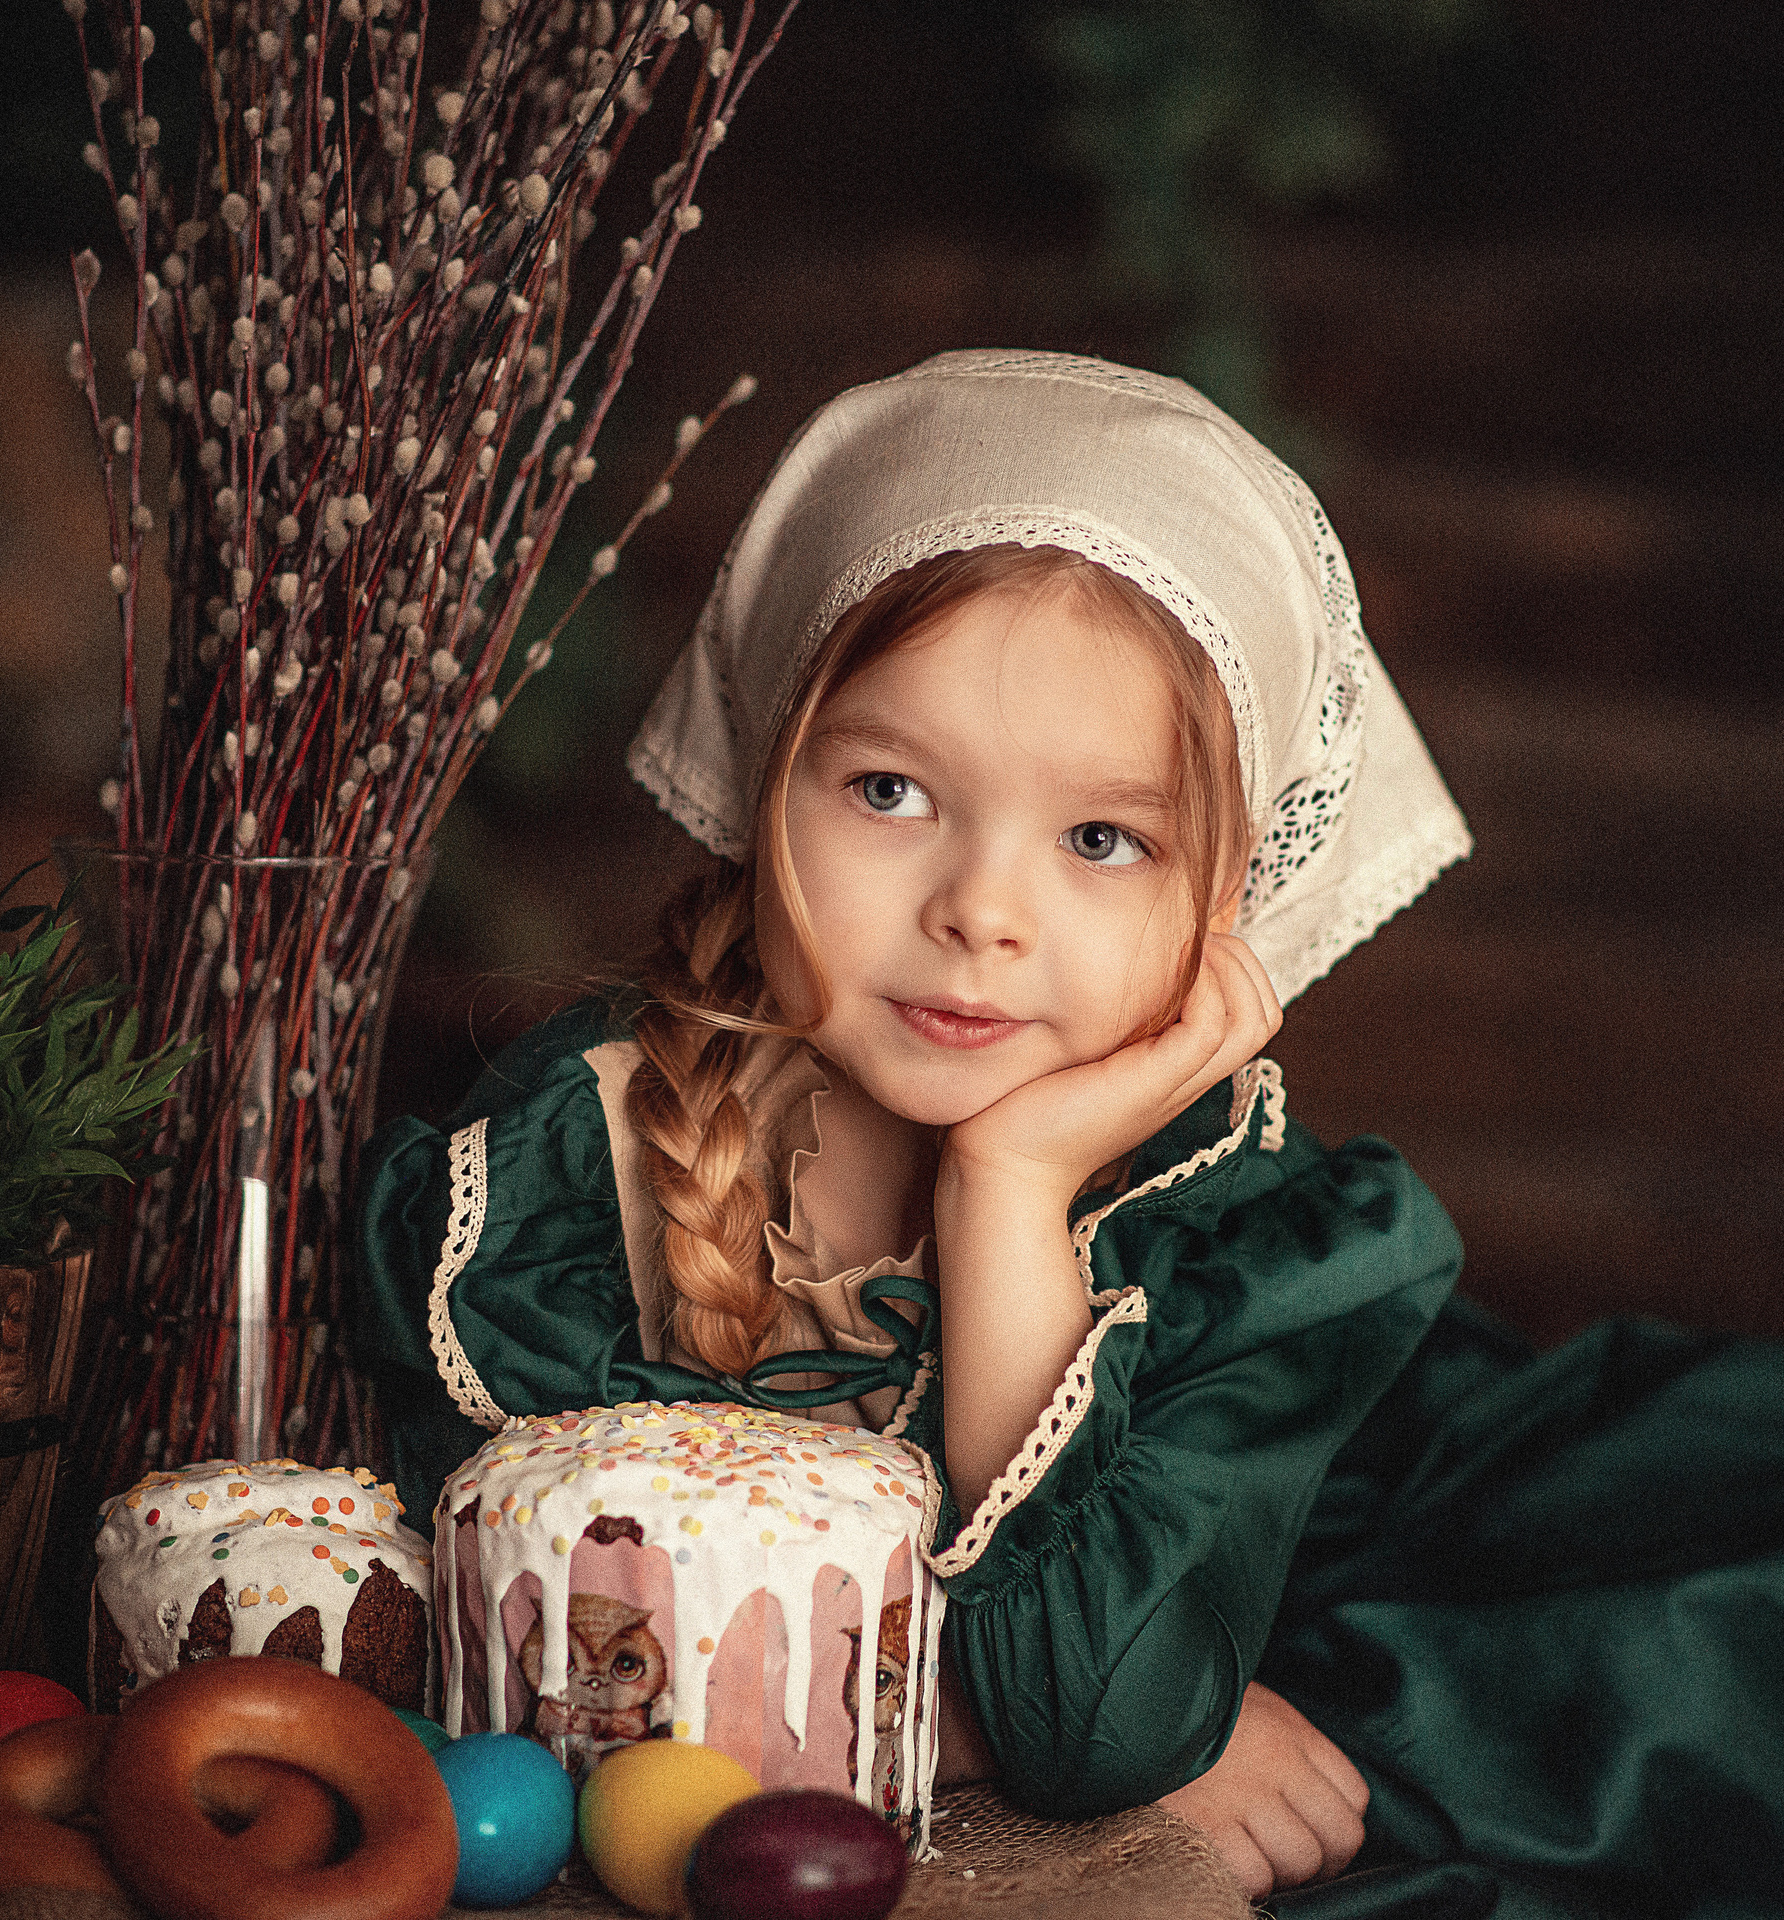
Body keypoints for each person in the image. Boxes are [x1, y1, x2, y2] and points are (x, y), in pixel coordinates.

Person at [357, 352, 1784, 1917]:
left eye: (1101, 837)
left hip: (1390, 1493)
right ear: (771, 776)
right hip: (1123, 1646)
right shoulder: (561, 1180)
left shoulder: (1255, 1241)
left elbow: (1093, 1710)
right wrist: (1012, 1731)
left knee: (1671, 1664)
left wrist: (1013, 1186)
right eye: (889, 790)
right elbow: (566, 1677)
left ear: (1227, 892)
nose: (980, 911)